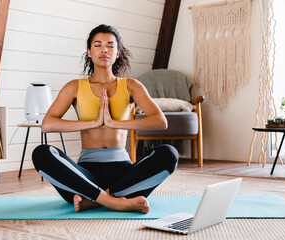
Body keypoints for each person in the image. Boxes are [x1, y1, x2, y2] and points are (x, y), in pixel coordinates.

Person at [32, 24, 178, 214]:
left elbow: (160, 121)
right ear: (89, 53)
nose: (104, 50)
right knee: (41, 154)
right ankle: (115, 202)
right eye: (98, 45)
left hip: (124, 175)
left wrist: (113, 123)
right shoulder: (74, 87)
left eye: (110, 45)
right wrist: (93, 123)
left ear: (117, 53)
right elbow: (47, 124)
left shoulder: (131, 85)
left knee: (169, 154)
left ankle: (94, 200)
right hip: (84, 175)